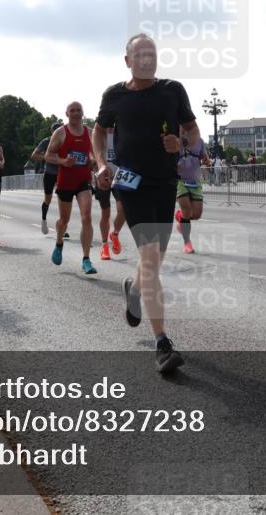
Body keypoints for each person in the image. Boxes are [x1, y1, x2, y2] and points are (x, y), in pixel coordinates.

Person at [94, 33, 200, 373]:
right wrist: (100, 164)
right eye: (139, 54)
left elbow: (193, 131)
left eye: (151, 53)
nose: (146, 59)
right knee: (151, 258)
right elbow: (99, 131)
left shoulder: (172, 90)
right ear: (127, 61)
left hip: (164, 183)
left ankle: (134, 289)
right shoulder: (115, 95)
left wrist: (180, 143)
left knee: (155, 259)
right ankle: (162, 344)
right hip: (130, 184)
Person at [44, 102, 97, 274]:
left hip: (83, 181)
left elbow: (96, 153)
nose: (75, 113)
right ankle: (59, 242)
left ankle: (86, 259)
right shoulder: (60, 133)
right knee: (64, 221)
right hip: (65, 181)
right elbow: (48, 155)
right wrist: (63, 161)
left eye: (78, 110)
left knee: (86, 217)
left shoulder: (90, 132)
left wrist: (94, 161)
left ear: (83, 113)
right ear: (66, 113)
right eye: (72, 110)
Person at [93, 126, 126, 260]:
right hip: (103, 176)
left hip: (119, 175)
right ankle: (105, 245)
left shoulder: (123, 132)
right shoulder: (98, 133)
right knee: (105, 213)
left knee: (123, 209)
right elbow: (93, 154)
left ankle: (115, 234)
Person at [175, 134, 211, 254]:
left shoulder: (199, 141)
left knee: (196, 215)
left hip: (195, 181)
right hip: (179, 180)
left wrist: (207, 160)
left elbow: (205, 157)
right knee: (187, 210)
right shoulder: (175, 140)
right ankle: (187, 243)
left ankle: (181, 217)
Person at [32, 123, 63, 235]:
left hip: (62, 173)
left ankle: (62, 227)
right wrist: (46, 158)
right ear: (51, 132)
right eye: (55, 131)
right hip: (49, 173)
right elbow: (34, 155)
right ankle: (44, 220)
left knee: (63, 200)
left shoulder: (66, 139)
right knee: (48, 200)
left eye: (59, 129)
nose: (57, 132)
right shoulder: (46, 141)